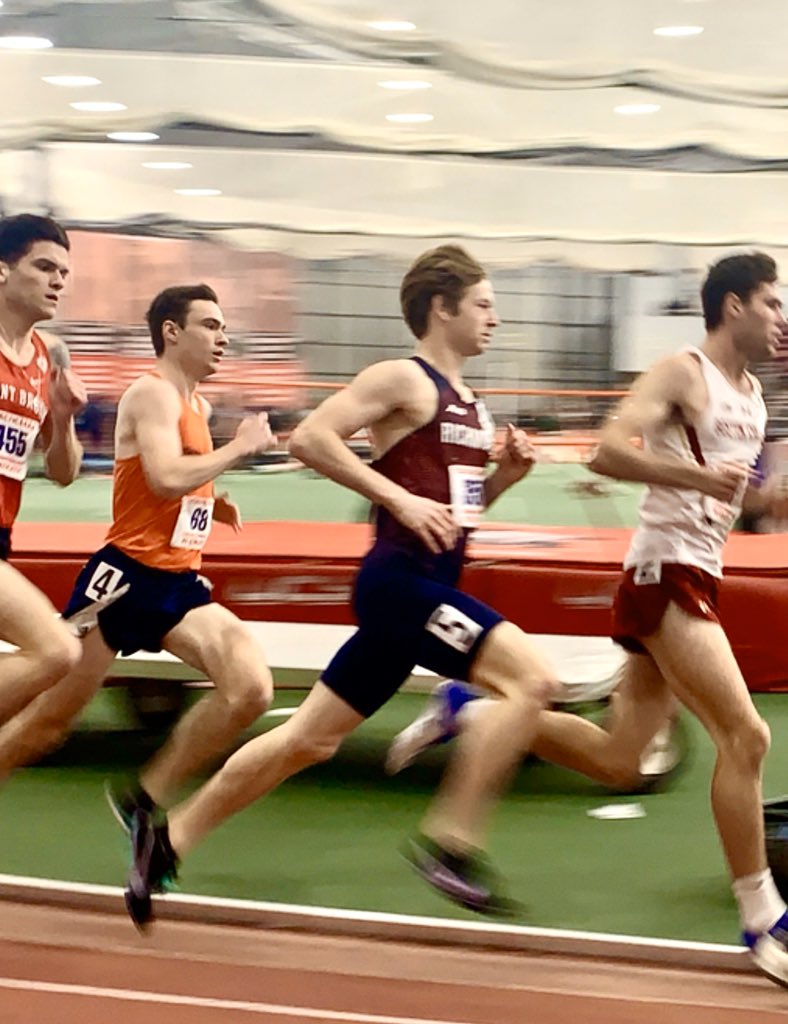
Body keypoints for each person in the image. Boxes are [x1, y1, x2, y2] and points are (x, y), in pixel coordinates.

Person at [123, 244, 557, 927]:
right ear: (441, 310)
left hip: (423, 587)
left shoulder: (472, 407)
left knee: (307, 740)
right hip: (400, 586)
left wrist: (504, 477)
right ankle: (452, 843)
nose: (494, 319)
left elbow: (454, 518)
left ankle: (168, 840)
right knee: (532, 680)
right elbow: (311, 439)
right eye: (483, 305)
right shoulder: (403, 379)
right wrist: (397, 498)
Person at [385, 252, 788, 988]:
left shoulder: (755, 397)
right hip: (664, 576)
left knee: (620, 761)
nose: (781, 318)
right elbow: (606, 451)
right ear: (733, 306)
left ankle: (470, 710)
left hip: (699, 572)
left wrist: (763, 500)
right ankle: (762, 917)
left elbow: (734, 496)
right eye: (771, 302)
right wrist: (699, 477)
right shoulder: (683, 373)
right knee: (747, 736)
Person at [0, 284, 276, 838]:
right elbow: (165, 475)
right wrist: (239, 448)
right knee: (46, 725)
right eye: (210, 326)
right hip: (122, 581)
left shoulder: (198, 404)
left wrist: (211, 502)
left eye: (224, 328)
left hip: (176, 583)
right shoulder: (151, 394)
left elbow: (176, 484)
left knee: (250, 688)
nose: (223, 339)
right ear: (172, 332)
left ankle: (142, 799)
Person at [0, 213, 102, 728]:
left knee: (54, 652)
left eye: (63, 272)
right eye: (43, 267)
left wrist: (62, 419)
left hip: (2, 534)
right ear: (2, 270)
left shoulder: (46, 357)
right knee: (55, 649)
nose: (58, 281)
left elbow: (63, 472)